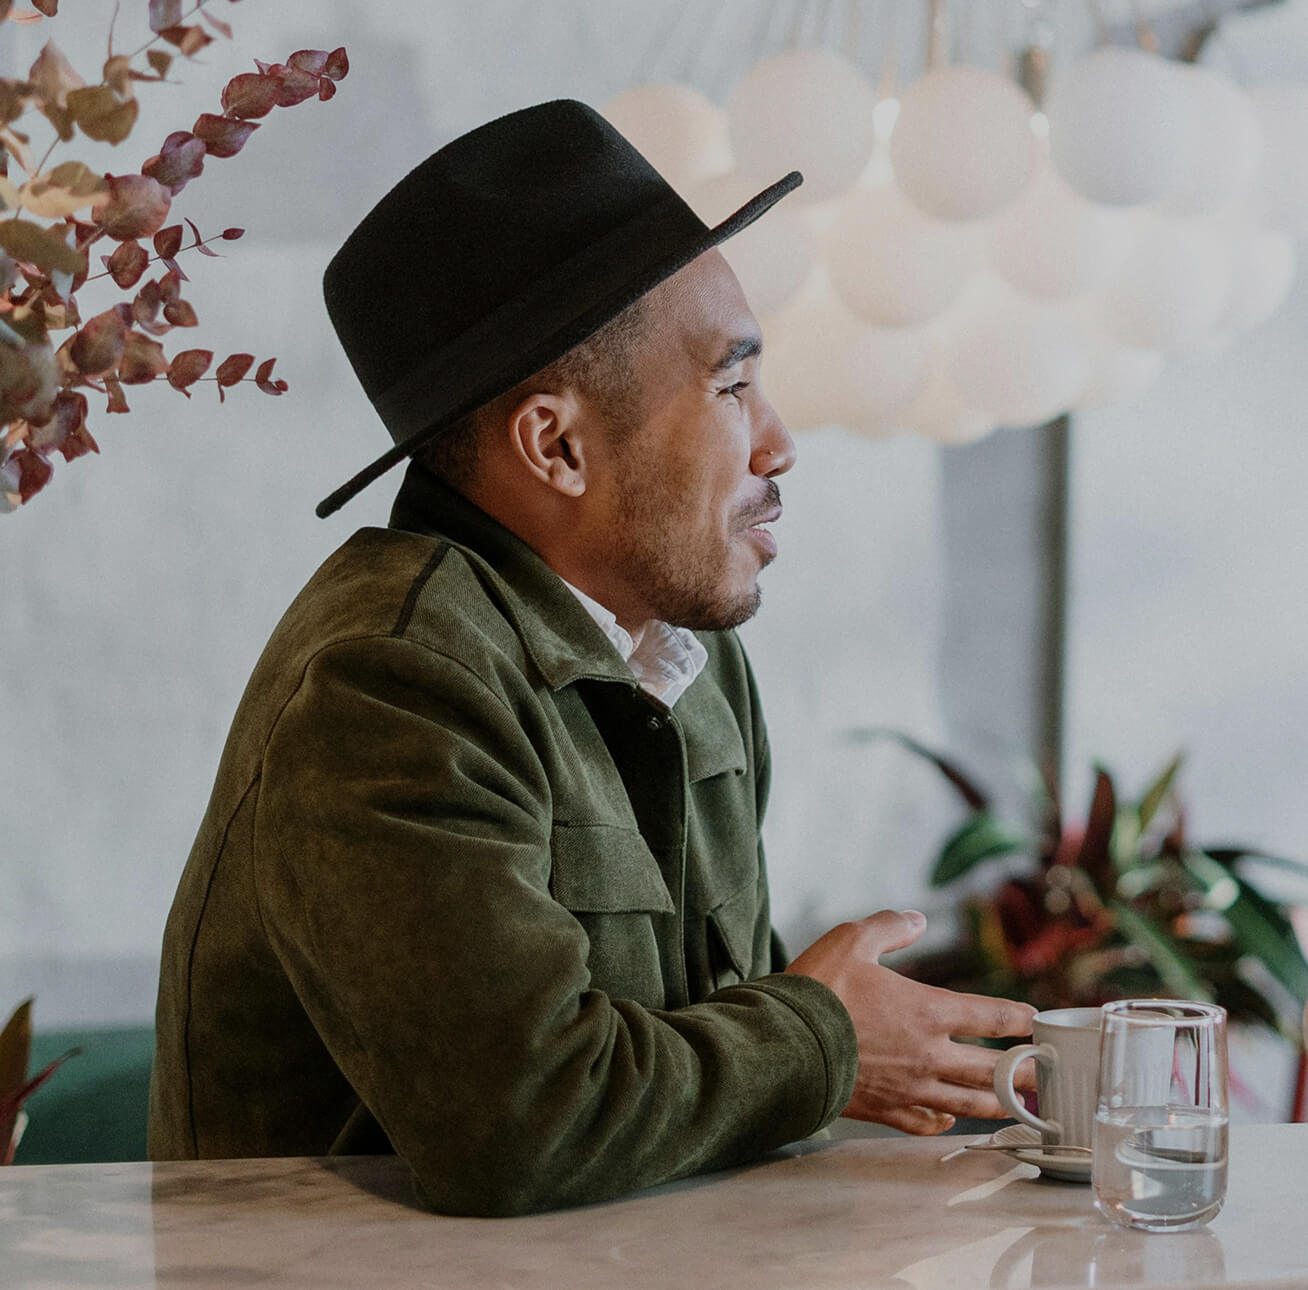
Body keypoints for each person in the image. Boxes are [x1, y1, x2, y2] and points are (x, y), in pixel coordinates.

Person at [148, 100, 1034, 1216]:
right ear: (556, 446)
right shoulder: (389, 685)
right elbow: (522, 1124)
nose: (780, 441)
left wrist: (837, 1051)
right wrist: (824, 1038)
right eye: (730, 386)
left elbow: (706, 1059)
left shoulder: (689, 659)